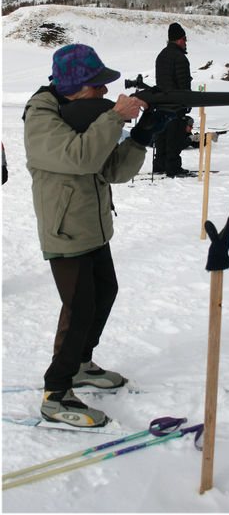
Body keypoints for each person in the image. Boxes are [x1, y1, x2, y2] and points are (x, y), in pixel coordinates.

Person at [22, 43, 156, 428]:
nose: (102, 92)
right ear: (74, 87)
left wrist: (140, 138)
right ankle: (56, 393)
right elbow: (79, 157)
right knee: (79, 308)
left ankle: (80, 363)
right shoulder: (41, 117)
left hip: (92, 224)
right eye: (96, 86)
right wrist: (115, 117)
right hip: (65, 231)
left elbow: (111, 170)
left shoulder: (85, 115)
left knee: (105, 292)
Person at [153, 22, 193, 177]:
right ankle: (173, 167)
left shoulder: (161, 55)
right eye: (184, 38)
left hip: (161, 102)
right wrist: (187, 102)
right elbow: (183, 84)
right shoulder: (180, 58)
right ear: (178, 40)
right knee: (175, 136)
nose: (185, 42)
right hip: (176, 103)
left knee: (162, 134)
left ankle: (159, 165)